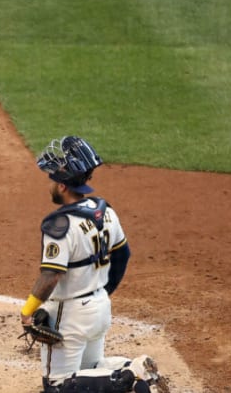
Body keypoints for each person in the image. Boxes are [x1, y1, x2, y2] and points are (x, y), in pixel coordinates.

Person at [20, 136, 169, 392]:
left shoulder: (59, 225)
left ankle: (130, 377)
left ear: (64, 187)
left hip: (70, 314)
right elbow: (123, 255)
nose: (52, 185)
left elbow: (51, 276)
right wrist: (103, 292)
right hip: (99, 307)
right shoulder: (106, 211)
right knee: (90, 369)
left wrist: (27, 311)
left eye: (54, 180)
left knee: (57, 385)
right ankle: (135, 369)